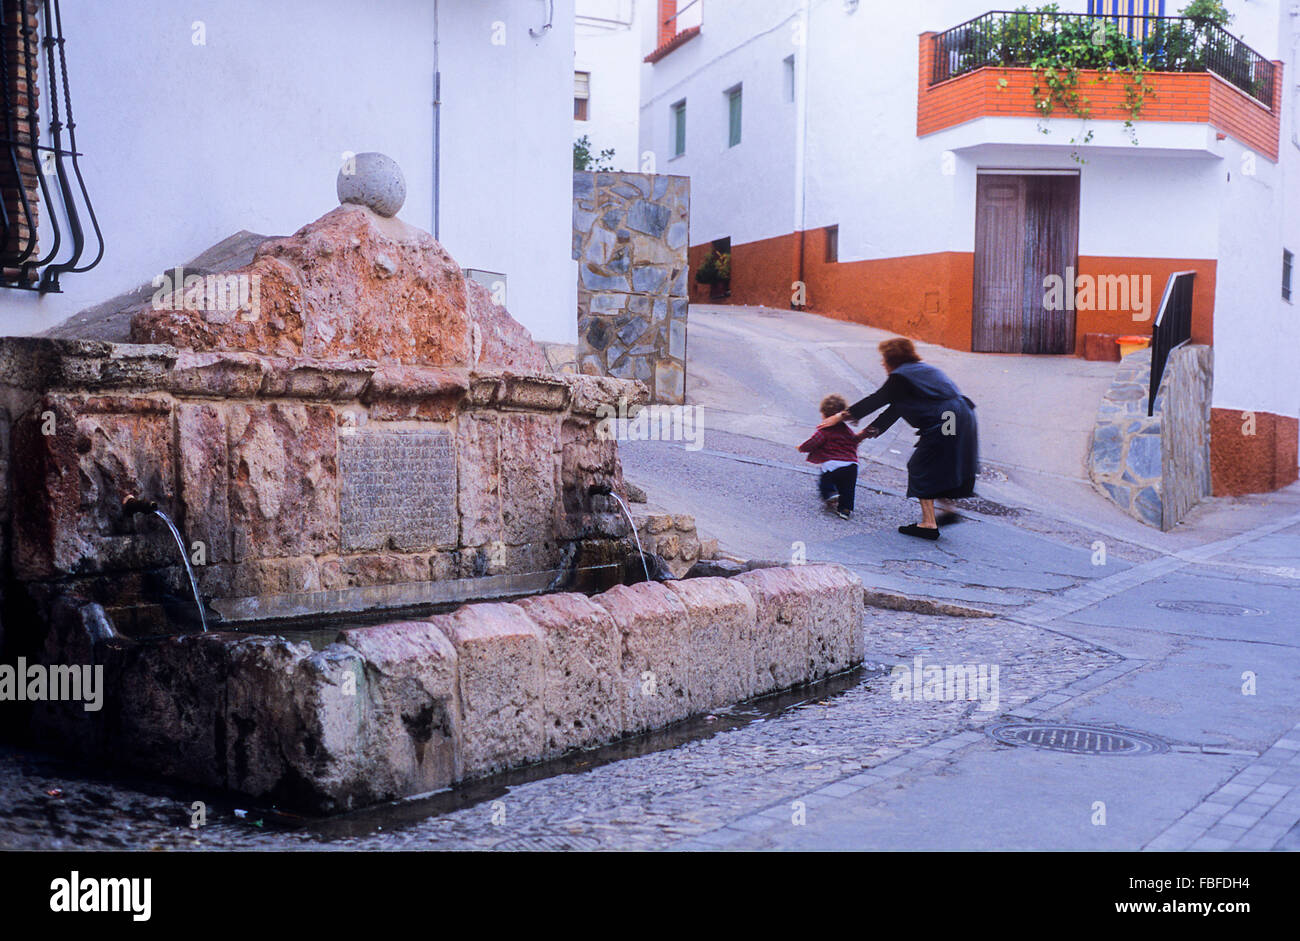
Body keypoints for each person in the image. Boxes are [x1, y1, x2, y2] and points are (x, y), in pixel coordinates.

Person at [819, 338, 977, 540]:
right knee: (940, 462)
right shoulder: (918, 372)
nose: (882, 363)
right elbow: (893, 411)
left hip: (947, 418)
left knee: (922, 465)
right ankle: (948, 511)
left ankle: (928, 524)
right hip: (960, 416)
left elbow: (876, 400)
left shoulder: (901, 377)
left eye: (884, 359)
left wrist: (840, 416)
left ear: (893, 359)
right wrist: (861, 437)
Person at [798, 394, 873, 520]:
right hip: (851, 465)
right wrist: (863, 435)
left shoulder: (825, 430)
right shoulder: (848, 431)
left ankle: (830, 493)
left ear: (824, 414)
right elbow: (854, 440)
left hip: (833, 464)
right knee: (848, 489)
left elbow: (814, 441)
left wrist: (802, 447)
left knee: (825, 480)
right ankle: (845, 510)